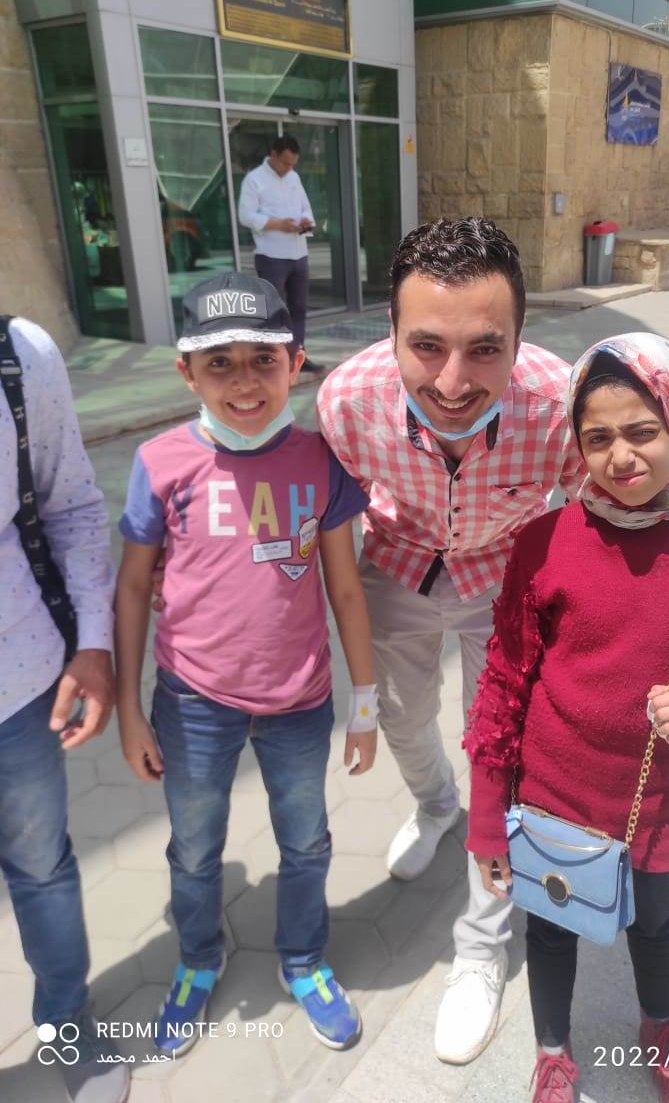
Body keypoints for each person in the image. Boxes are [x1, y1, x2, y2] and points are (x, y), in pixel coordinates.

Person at [465, 332, 669, 1103]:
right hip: (552, 796)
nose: (621, 457)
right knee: (550, 928)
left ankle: (661, 1027)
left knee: (655, 923)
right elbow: (504, 683)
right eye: (598, 438)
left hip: (653, 802)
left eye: (642, 431)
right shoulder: (543, 543)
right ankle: (554, 1052)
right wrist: (486, 817)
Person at [317, 218, 582, 1065]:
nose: (455, 381)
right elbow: (329, 522)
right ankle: (436, 805)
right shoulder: (347, 402)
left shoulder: (560, 404)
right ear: (390, 332)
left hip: (506, 573)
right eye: (427, 346)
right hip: (399, 563)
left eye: (485, 349)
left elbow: (591, 514)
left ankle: (481, 946)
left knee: (499, 751)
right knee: (401, 717)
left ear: (520, 339)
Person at [114, 273, 376, 1055]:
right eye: (219, 363)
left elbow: (346, 589)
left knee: (307, 840)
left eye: (263, 359)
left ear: (294, 364)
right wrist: (128, 709)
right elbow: (132, 588)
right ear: (187, 374)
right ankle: (199, 956)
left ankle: (304, 957)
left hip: (299, 701)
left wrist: (365, 705)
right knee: (195, 847)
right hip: (194, 702)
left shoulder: (319, 460)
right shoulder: (161, 462)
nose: (244, 381)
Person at [0, 317, 129, 1102]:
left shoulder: (19, 356)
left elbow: (72, 507)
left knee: (40, 866)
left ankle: (65, 1017)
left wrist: (93, 645)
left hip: (18, 682)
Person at [237, 134, 323, 374]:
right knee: (274, 310)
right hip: (271, 255)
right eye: (285, 163)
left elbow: (306, 207)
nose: (289, 168)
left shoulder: (294, 177)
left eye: (293, 164)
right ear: (273, 155)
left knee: (299, 309)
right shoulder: (254, 180)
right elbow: (245, 216)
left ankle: (298, 357)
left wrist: (306, 220)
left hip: (299, 253)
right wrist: (278, 225)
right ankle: (273, 360)